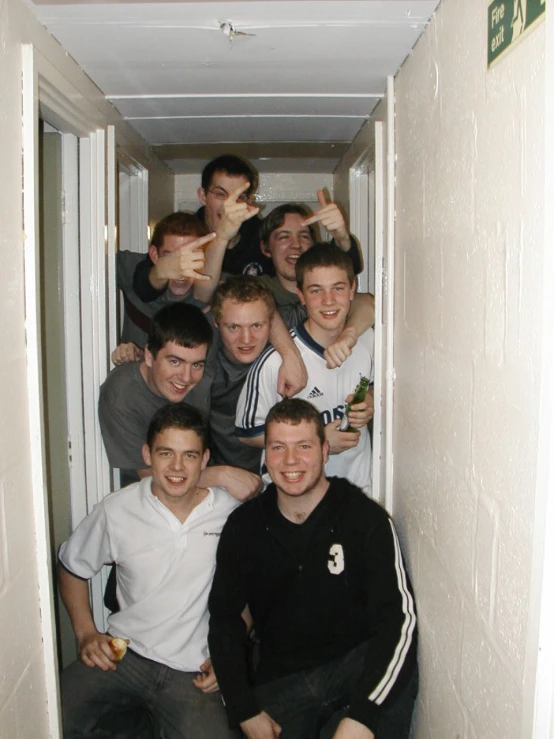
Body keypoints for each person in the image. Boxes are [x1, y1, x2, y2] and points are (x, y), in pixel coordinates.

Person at [208, 399, 418, 739]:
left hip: (356, 670)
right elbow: (224, 621)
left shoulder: (365, 520)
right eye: (278, 447)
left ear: (324, 451)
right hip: (284, 680)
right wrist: (243, 708)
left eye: (303, 446)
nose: (290, 461)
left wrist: (363, 716)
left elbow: (399, 621)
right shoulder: (243, 527)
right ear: (266, 454)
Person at [59, 404, 241, 739]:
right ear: (147, 454)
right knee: (46, 713)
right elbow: (72, 566)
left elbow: (250, 593)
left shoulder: (231, 514)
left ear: (204, 460)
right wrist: (85, 632)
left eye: (189, 455)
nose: (176, 466)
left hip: (193, 670)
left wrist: (231, 655)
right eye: (165, 453)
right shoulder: (117, 509)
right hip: (123, 653)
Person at [236, 245, 374, 494]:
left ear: (352, 289)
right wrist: (316, 440)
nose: (328, 301)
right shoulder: (275, 363)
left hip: (357, 492)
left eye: (338, 288)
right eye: (316, 290)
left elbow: (377, 386)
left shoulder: (368, 341)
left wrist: (370, 402)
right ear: (300, 294)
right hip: (290, 498)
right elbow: (247, 432)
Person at [98, 301, 260, 498]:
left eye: (197, 365)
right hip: (152, 501)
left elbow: (257, 304)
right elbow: (152, 478)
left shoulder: (203, 345)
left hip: (206, 479)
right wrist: (220, 475)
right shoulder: (121, 394)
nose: (185, 377)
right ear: (149, 356)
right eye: (175, 362)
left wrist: (290, 355)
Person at [131, 156, 272, 307]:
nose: (228, 205)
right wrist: (161, 271)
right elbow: (143, 288)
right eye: (220, 194)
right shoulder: (183, 232)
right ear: (203, 196)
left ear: (248, 202)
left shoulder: (263, 236)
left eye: (239, 197)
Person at [116, 211, 215, 353]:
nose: (181, 268)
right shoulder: (130, 269)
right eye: (172, 258)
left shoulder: (216, 283)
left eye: (189, 258)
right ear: (154, 255)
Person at [209, 276, 277, 473]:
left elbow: (367, 305)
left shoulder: (285, 336)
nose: (246, 339)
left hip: (282, 477)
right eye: (233, 327)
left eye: (256, 326)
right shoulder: (203, 368)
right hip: (222, 480)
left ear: (273, 322)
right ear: (216, 322)